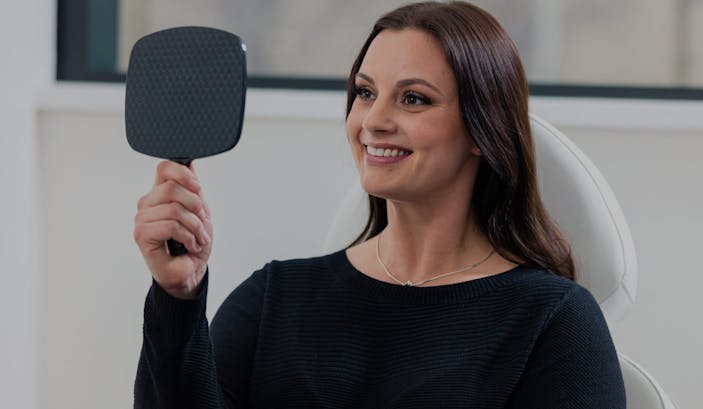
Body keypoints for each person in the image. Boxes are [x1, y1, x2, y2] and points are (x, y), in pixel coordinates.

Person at [132, 2, 626, 408]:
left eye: (413, 99)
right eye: (365, 93)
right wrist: (178, 296)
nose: (373, 121)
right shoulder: (274, 298)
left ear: (482, 129)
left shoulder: (554, 322)